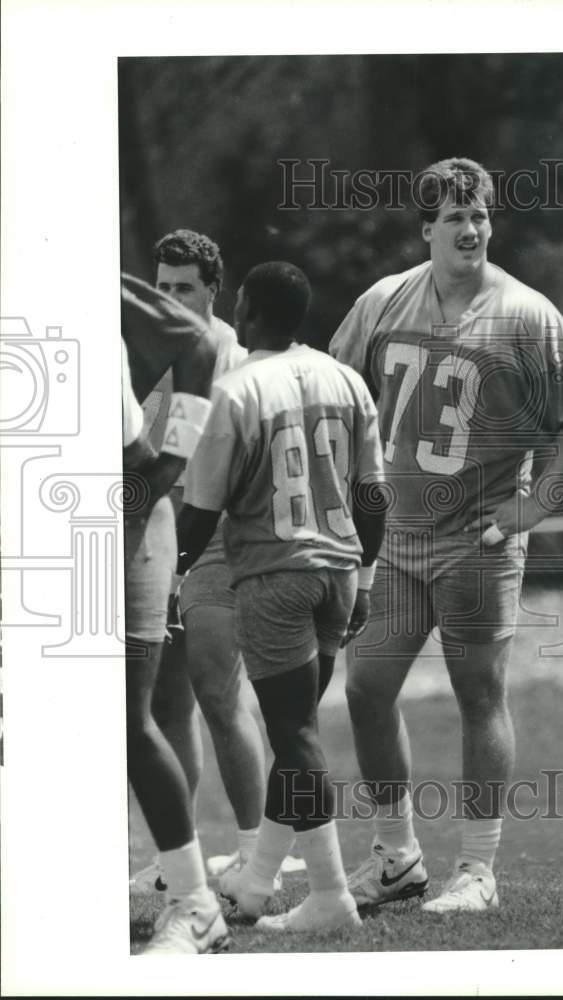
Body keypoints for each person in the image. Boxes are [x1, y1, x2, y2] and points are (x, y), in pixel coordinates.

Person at [329, 157, 563, 913]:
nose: (471, 228)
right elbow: (335, 391)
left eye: (480, 214)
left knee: (477, 691)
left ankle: (477, 871)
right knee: (364, 688)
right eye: (454, 216)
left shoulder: (524, 313)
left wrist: (537, 505)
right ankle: (396, 857)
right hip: (396, 537)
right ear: (426, 229)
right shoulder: (384, 301)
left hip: (479, 536)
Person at [177, 261, 386, 934]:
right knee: (296, 731)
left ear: (252, 313)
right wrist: (367, 574)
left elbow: (203, 508)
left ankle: (329, 897)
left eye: (240, 305)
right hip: (340, 569)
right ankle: (258, 881)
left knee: (293, 735)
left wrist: (171, 568)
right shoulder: (345, 379)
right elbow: (373, 495)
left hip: (275, 571)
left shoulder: (236, 389)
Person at [129, 229, 276, 896]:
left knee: (221, 694)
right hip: (163, 539)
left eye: (185, 287)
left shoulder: (230, 356)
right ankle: (175, 859)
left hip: (215, 543)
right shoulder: (151, 351)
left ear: (214, 290)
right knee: (165, 706)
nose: (172, 299)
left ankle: (257, 853)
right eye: (162, 287)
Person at [121, 273, 228, 954]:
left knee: (135, 718)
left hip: (122, 519)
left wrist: (166, 462)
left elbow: (197, 344)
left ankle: (193, 899)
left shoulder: (70, 278)